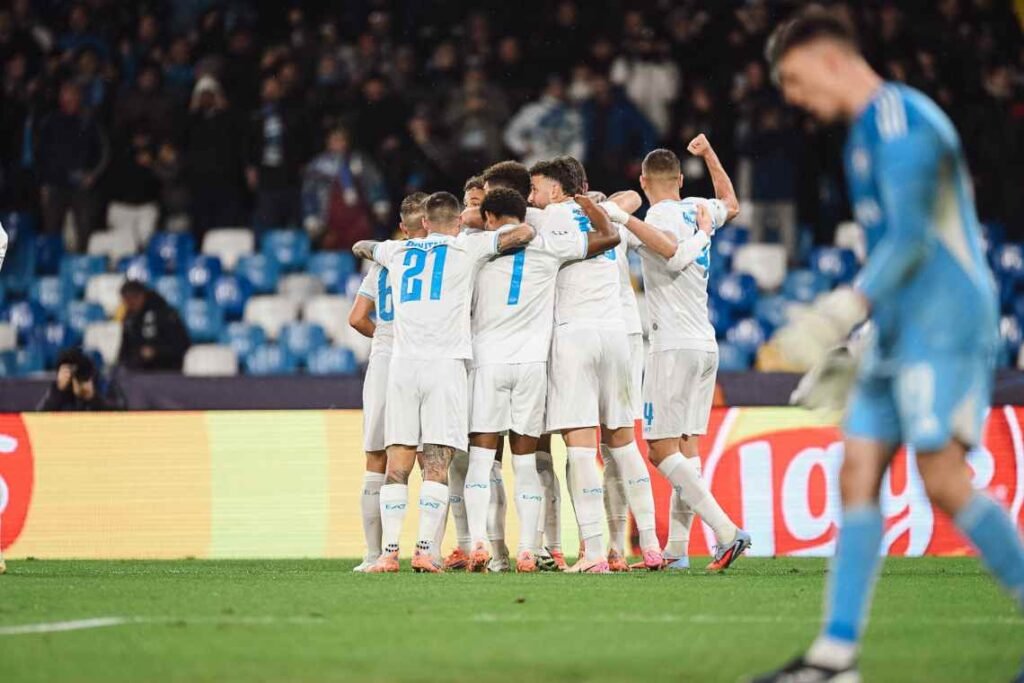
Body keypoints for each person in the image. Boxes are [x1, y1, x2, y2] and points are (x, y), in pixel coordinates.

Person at [750, 8, 1024, 681]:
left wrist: (843, 308)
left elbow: (911, 240)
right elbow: (888, 250)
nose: (790, 95)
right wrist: (869, 331)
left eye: (791, 77)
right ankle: (836, 657)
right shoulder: (862, 137)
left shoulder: (905, 122)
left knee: (944, 482)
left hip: (946, 323)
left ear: (830, 59)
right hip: (895, 329)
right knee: (857, 473)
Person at [352, 192, 536, 573]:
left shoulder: (397, 252)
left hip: (402, 367)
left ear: (423, 224)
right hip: (445, 366)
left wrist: (377, 247)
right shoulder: (467, 248)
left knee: (397, 461)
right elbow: (522, 233)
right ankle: (423, 549)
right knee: (436, 463)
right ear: (454, 223)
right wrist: (473, 223)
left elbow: (360, 246)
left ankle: (388, 553)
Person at [613, 142, 751, 573]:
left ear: (642, 181)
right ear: (681, 179)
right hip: (705, 344)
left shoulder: (658, 217)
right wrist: (711, 153)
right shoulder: (698, 206)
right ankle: (676, 550)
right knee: (685, 447)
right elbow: (732, 202)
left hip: (672, 345)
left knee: (658, 449)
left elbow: (670, 252)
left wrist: (626, 219)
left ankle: (727, 532)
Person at [466, 188, 620, 572]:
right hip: (532, 367)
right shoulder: (550, 246)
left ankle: (482, 546)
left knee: (482, 464)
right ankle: (526, 551)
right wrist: (592, 208)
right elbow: (610, 237)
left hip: (488, 363)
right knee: (526, 464)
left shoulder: (478, 246)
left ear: (488, 217)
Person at [527, 157, 648, 573]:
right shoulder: (606, 214)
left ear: (556, 192)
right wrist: (597, 200)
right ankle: (649, 545)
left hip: (573, 337)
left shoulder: (542, 218)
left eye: (537, 188)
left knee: (580, 452)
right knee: (624, 444)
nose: (531, 196)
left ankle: (594, 553)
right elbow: (633, 195)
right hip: (616, 337)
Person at [347, 192, 427, 573]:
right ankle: (433, 551)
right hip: (425, 357)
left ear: (401, 226)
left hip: (384, 356)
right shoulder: (438, 260)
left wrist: (384, 335)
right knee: (432, 458)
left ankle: (373, 554)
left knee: (376, 457)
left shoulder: (383, 261)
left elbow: (356, 318)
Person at [36, 80, 109, 251]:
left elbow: (104, 152)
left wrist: (93, 175)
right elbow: (41, 155)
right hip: (55, 184)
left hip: (81, 184)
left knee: (84, 231)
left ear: (79, 97)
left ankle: (82, 266)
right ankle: (51, 268)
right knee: (51, 231)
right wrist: (43, 183)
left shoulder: (90, 121)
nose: (69, 98)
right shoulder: (50, 121)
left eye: (73, 94)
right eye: (65, 94)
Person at [302, 127, 389, 249]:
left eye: (341, 140)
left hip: (357, 217)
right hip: (329, 221)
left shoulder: (359, 161)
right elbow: (309, 192)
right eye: (334, 140)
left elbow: (373, 182)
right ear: (328, 142)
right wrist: (311, 215)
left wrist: (379, 203)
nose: (338, 144)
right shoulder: (318, 165)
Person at [117, 280, 191, 372]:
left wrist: (156, 351)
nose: (129, 305)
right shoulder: (129, 318)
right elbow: (125, 348)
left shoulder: (166, 314)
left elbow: (182, 345)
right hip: (138, 374)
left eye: (131, 300)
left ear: (141, 296)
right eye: (126, 301)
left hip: (168, 372)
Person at [36, 348, 117, 411]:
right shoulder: (62, 391)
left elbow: (122, 415)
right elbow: (37, 420)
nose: (78, 377)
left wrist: (93, 398)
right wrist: (59, 390)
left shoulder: (104, 385)